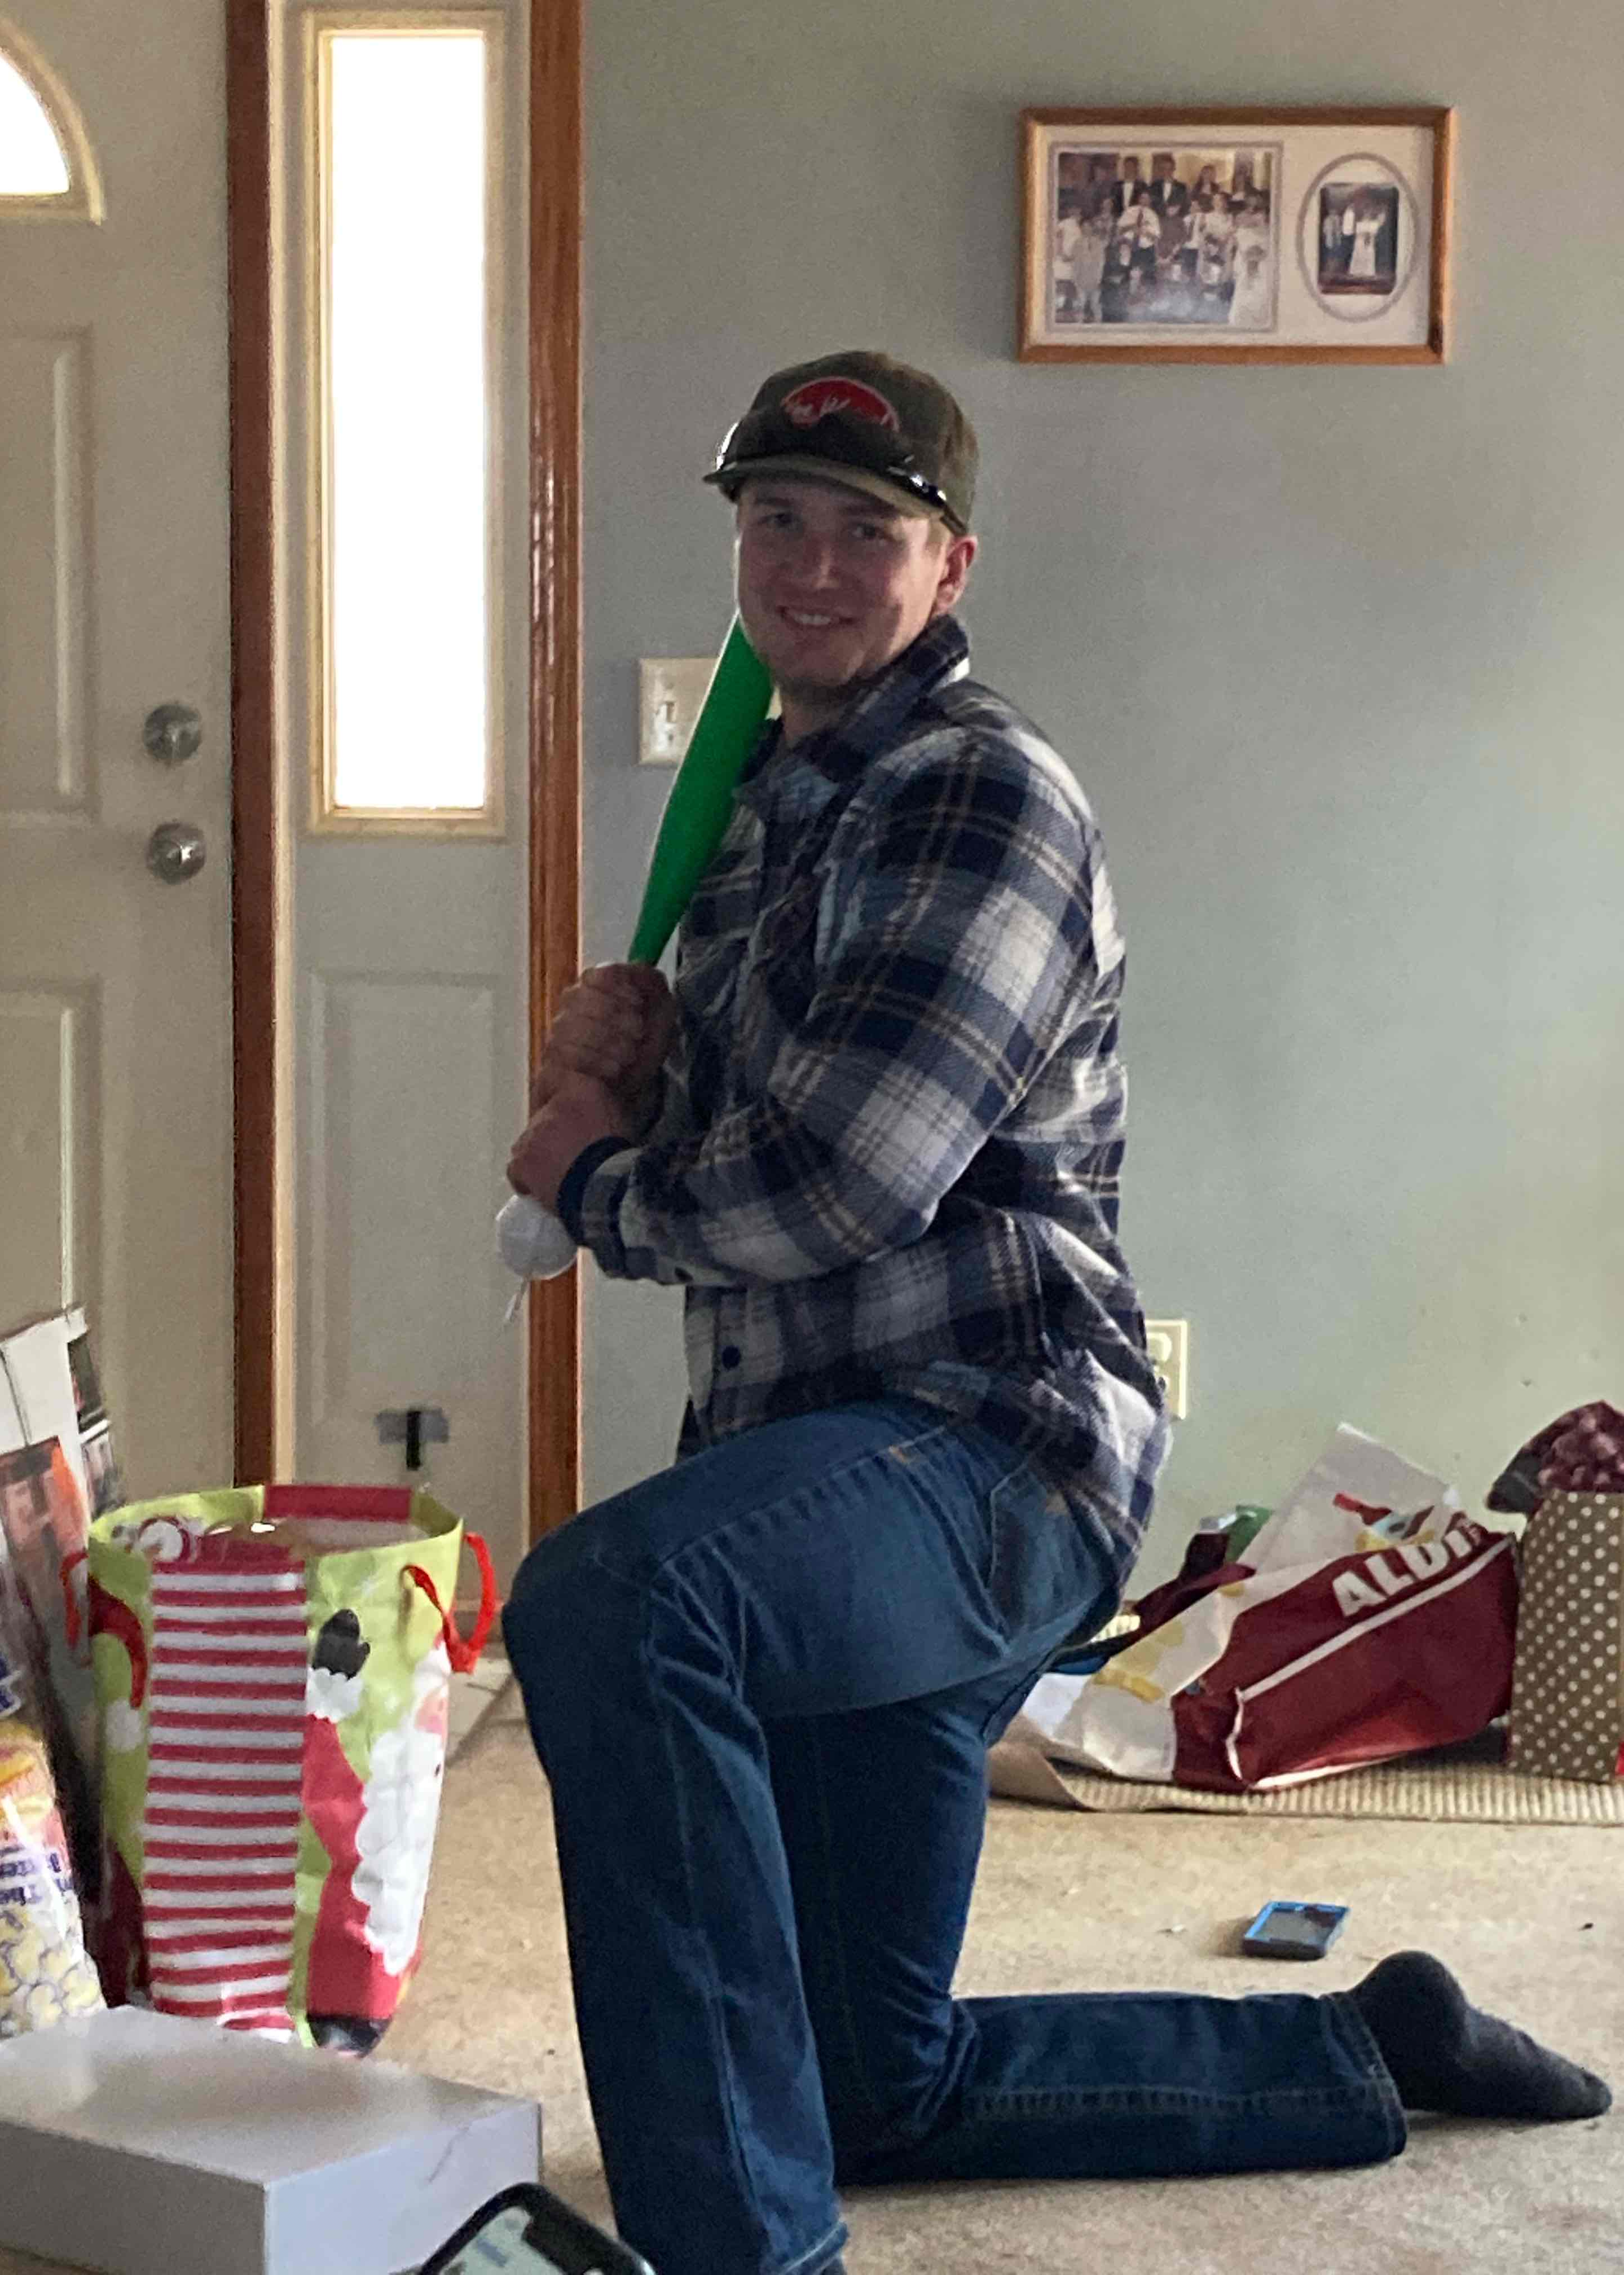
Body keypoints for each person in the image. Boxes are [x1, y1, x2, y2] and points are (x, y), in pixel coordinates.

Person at [501, 350, 1611, 2275]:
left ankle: (743, 2257)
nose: (814, 566)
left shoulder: (976, 796)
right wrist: (629, 1087)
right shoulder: (767, 809)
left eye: (869, 531)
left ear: (951, 567)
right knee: (873, 2089)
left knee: (614, 1604)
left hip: (994, 1454)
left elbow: (842, 1187)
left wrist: (592, 1179)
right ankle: (1366, 2045)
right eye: (778, 520)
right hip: (823, 1470)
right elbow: (765, 1150)